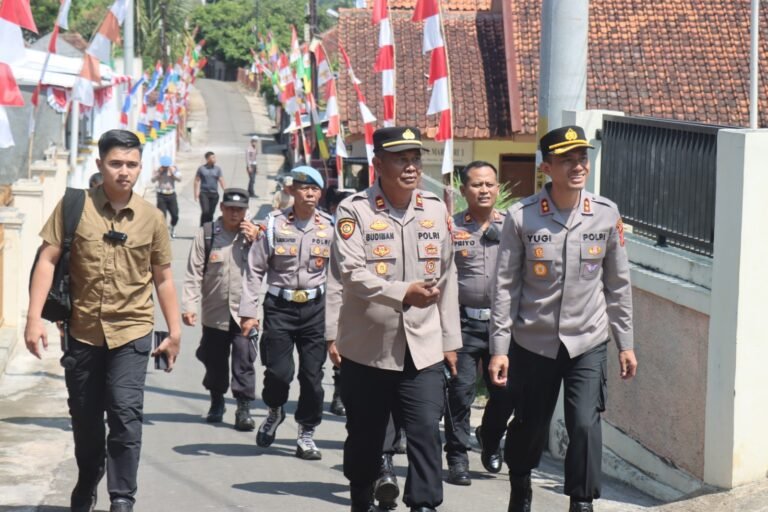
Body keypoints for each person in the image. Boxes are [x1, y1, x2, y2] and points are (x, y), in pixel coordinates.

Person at [24, 129, 182, 512]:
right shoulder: (74, 206)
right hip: (82, 332)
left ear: (140, 168)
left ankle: (122, 496)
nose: (123, 172)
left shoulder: (152, 219)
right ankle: (88, 476)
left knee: (126, 414)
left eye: (131, 164)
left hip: (132, 331)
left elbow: (163, 277)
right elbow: (47, 259)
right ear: (100, 165)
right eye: (116, 164)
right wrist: (33, 319)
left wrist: (175, 331)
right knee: (85, 419)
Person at [488, 125, 638, 512]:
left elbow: (618, 284)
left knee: (585, 424)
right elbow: (505, 288)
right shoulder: (521, 218)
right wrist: (499, 349)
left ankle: (582, 501)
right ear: (547, 168)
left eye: (582, 158)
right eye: (567, 159)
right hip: (533, 343)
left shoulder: (605, 214)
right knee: (531, 425)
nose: (577, 166)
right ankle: (520, 482)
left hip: (587, 340)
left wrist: (626, 343)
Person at [330, 126, 461, 512]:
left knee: (424, 432)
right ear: (378, 164)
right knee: (365, 438)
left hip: (423, 347)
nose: (411, 166)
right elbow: (351, 272)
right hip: (368, 348)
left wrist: (450, 341)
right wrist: (403, 293)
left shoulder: (435, 209)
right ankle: (360, 497)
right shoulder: (354, 210)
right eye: (401, 158)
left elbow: (449, 277)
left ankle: (424, 504)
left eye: (415, 158)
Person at [239, 166, 333, 461]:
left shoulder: (330, 227)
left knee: (312, 377)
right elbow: (254, 270)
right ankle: (275, 410)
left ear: (320, 193)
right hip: (279, 307)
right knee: (279, 374)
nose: (310, 193)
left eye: (315, 189)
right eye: (304, 188)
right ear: (292, 191)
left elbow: (341, 275)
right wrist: (249, 312)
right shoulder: (273, 225)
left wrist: (338, 322)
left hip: (316, 309)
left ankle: (306, 432)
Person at [444, 161, 515, 486]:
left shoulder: (514, 227)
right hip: (463, 325)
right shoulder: (451, 228)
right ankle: (457, 457)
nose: (483, 190)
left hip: (504, 326)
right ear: (463, 190)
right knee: (460, 394)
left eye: (489, 184)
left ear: (498, 189)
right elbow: (443, 280)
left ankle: (490, 436)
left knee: (505, 393)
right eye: (476, 185)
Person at [182, 188, 261, 430]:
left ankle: (243, 408)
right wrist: (189, 304)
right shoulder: (207, 234)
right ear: (222, 209)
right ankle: (217, 401)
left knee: (244, 360)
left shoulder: (256, 235)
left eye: (240, 209)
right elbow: (194, 272)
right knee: (214, 361)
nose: (235, 213)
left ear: (246, 211)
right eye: (230, 208)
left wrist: (258, 240)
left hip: (245, 313)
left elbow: (273, 266)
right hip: (214, 312)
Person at [152, 155, 181, 238]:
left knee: (175, 215)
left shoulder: (174, 169)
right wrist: (159, 174)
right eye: (164, 166)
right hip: (161, 195)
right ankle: (163, 234)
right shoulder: (158, 170)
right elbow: (153, 180)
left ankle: (172, 226)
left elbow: (179, 179)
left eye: (166, 166)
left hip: (171, 194)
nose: (165, 167)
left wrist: (173, 174)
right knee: (162, 215)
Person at [194, 151, 226, 226]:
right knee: (205, 211)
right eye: (212, 157)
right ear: (207, 159)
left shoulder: (218, 169)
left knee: (210, 213)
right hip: (204, 193)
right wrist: (196, 193)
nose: (215, 159)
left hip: (214, 194)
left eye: (215, 157)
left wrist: (226, 191)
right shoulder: (201, 169)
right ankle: (202, 227)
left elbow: (221, 180)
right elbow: (196, 180)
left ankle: (208, 229)